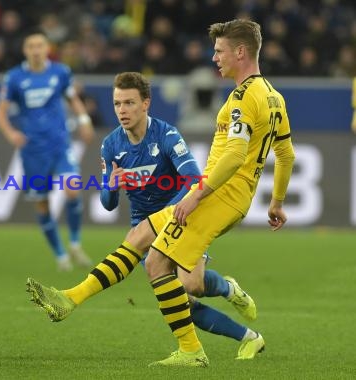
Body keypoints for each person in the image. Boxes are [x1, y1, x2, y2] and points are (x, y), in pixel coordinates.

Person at [27, 19, 296, 367]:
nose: (214, 57)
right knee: (141, 238)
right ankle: (70, 298)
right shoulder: (274, 97)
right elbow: (286, 155)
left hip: (219, 194)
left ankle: (190, 350)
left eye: (219, 51)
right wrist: (276, 202)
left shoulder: (242, 98)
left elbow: (234, 154)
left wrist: (197, 195)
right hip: (232, 196)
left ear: (240, 52)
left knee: (156, 263)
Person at [0, 29, 95, 271]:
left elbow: (73, 99)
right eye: (31, 46)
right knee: (42, 203)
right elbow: (0, 113)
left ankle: (75, 243)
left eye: (40, 45)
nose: (36, 50)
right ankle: (60, 256)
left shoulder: (60, 71)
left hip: (59, 143)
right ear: (25, 50)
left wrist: (84, 121)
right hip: (33, 150)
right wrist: (11, 134)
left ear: (47, 48)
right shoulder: (14, 78)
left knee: (72, 189)